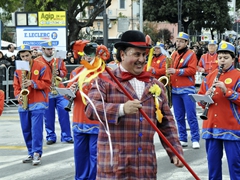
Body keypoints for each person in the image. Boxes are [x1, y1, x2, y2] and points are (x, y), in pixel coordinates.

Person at [85, 30, 184, 179]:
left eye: (144, 55)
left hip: (145, 166)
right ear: (123, 54)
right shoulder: (104, 80)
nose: (142, 59)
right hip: (114, 167)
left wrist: (175, 150)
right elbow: (91, 109)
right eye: (137, 54)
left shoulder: (155, 85)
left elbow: (166, 122)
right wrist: (121, 109)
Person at [198, 41, 240, 179]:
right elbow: (201, 101)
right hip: (211, 126)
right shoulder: (210, 76)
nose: (222, 60)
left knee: (235, 165)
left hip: (231, 126)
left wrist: (226, 90)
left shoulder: (238, 76)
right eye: (220, 57)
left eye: (226, 57)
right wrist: (205, 97)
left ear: (233, 59)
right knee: (213, 165)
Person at [13, 44, 52, 165]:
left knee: (36, 129)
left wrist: (32, 82)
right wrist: (18, 94)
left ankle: (37, 153)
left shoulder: (41, 66)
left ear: (32, 54)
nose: (25, 58)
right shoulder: (18, 69)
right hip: (23, 102)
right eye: (22, 56)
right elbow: (16, 86)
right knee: (26, 129)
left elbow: (47, 83)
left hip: (38, 101)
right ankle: (30, 152)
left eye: (27, 55)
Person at [67, 44, 99, 179]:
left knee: (95, 154)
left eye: (91, 54)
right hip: (79, 118)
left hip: (96, 119)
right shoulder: (76, 72)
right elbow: (67, 93)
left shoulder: (102, 72)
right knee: (79, 154)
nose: (88, 56)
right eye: (85, 54)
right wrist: (70, 91)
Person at [167, 32, 200, 149]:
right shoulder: (174, 54)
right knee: (179, 116)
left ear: (187, 43)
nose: (178, 43)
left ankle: (195, 139)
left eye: (181, 41)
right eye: (177, 41)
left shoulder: (191, 54)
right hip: (175, 90)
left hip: (187, 89)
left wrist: (176, 72)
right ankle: (182, 138)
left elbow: (192, 70)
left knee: (191, 115)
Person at [37, 41, 73, 145]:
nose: (50, 51)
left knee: (64, 112)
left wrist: (59, 73)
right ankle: (50, 136)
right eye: (48, 49)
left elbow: (64, 72)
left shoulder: (58, 59)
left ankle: (66, 136)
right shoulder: (38, 61)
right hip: (46, 91)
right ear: (43, 50)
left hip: (59, 90)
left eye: (51, 49)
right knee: (48, 116)